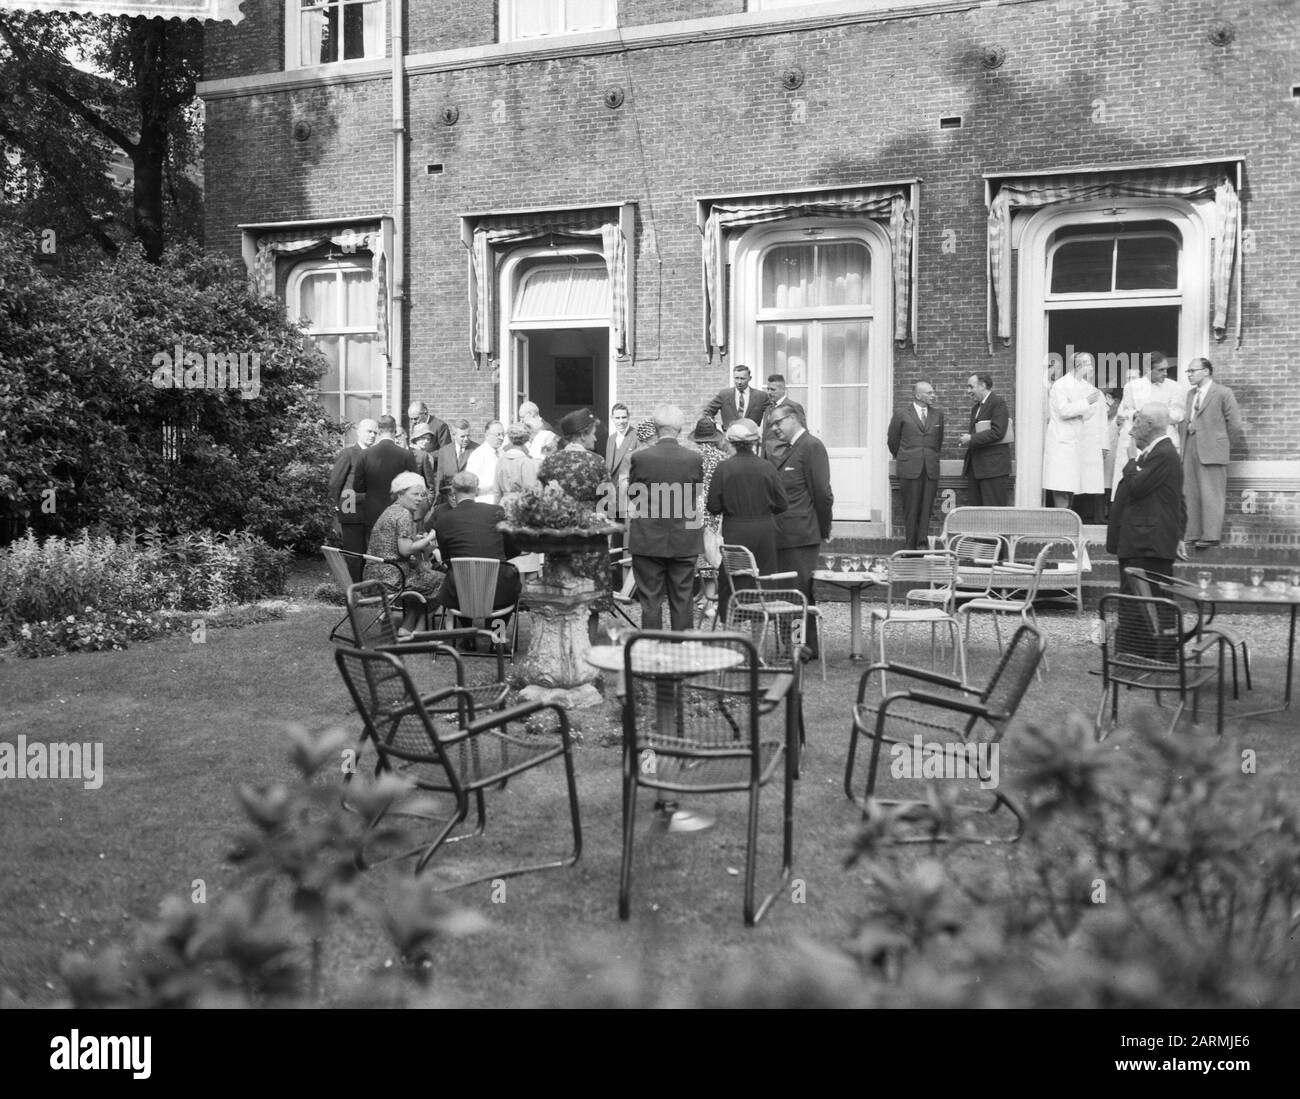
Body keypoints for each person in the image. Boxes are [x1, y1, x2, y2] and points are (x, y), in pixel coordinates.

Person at [627, 405, 705, 631]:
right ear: (679, 429)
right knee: (683, 600)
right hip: (684, 537)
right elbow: (696, 493)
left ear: (657, 428)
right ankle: (680, 653)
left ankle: (653, 652)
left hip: (648, 536)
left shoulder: (640, 457)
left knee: (650, 601)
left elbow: (634, 495)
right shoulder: (693, 458)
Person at [706, 418, 788, 623]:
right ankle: (758, 647)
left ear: (731, 442)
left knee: (735, 582)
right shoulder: (767, 467)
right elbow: (782, 504)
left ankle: (734, 641)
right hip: (764, 533)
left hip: (735, 531)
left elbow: (713, 507)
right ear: (754, 442)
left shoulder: (724, 468)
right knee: (762, 585)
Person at [769, 405, 833, 659]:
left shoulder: (811, 446)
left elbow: (822, 493)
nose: (774, 428)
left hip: (801, 535)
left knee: (795, 595)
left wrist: (824, 527)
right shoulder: (793, 448)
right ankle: (802, 647)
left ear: (793, 419)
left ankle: (797, 648)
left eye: (778, 423)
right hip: (785, 535)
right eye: (772, 424)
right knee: (792, 593)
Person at [1107, 403, 1186, 592]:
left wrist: (1132, 461)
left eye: (1137, 422)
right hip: (1140, 544)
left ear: (1149, 424)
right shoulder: (1154, 454)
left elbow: (1136, 487)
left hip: (1147, 545)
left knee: (1144, 606)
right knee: (1137, 605)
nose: (1131, 431)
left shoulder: (1164, 454)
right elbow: (1178, 500)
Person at [362, 470, 444, 636]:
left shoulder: (390, 511)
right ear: (400, 493)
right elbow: (405, 550)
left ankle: (407, 627)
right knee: (443, 580)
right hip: (392, 578)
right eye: (415, 494)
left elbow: (397, 545)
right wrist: (430, 537)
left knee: (424, 576)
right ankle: (419, 628)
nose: (420, 499)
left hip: (374, 574)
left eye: (421, 494)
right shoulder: (404, 514)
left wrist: (416, 541)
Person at [430, 471, 522, 614]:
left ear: (453, 491)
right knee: (502, 608)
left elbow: (447, 558)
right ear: (477, 491)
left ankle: (468, 633)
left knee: (456, 583)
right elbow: (513, 549)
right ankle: (497, 633)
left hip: (461, 591)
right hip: (499, 589)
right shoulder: (496, 511)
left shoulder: (443, 520)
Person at [1181, 357, 1246, 549]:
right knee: (1190, 492)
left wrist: (1222, 444)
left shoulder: (1223, 393)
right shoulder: (1191, 394)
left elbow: (1235, 424)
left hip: (1213, 448)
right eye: (1188, 371)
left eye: (1193, 370)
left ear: (1206, 371)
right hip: (1191, 445)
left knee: (1212, 493)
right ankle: (1191, 533)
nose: (1189, 374)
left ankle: (1210, 535)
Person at [1111, 351, 1187, 495]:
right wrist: (1136, 415)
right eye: (1160, 370)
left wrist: (1156, 415)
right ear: (1147, 369)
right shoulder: (1132, 387)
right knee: (1132, 484)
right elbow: (1125, 411)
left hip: (1163, 441)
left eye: (1166, 369)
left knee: (1160, 488)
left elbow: (1179, 414)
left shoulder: (1175, 387)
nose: (1165, 373)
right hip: (1138, 441)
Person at [1043, 352, 1105, 509]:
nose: (1091, 369)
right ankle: (1062, 526)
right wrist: (1085, 402)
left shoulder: (1085, 387)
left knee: (1072, 487)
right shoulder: (1060, 385)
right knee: (1061, 485)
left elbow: (1090, 413)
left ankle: (1067, 526)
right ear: (1077, 366)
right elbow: (1064, 411)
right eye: (1088, 365)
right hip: (1061, 442)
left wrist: (1085, 405)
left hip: (1077, 443)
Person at [888, 381, 944, 549]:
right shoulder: (901, 414)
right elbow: (892, 441)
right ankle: (909, 546)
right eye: (930, 392)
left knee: (926, 508)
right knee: (911, 509)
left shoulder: (937, 414)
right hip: (909, 468)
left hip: (930, 469)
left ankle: (921, 545)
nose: (933, 395)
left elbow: (938, 441)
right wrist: (906, 457)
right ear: (918, 395)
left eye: (933, 392)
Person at [352, 415, 418, 544]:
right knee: (398, 553)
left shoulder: (365, 454)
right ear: (394, 431)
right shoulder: (406, 455)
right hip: (399, 513)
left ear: (378, 431)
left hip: (373, 513)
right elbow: (415, 486)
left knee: (373, 553)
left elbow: (358, 487)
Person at [687, 415, 731, 607]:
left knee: (698, 552)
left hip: (693, 508)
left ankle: (704, 594)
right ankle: (709, 597)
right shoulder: (723, 458)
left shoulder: (691, 458)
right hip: (715, 508)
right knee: (713, 550)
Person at [327, 417, 378, 581]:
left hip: (372, 514)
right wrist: (336, 508)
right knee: (354, 554)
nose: (372, 435)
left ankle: (367, 587)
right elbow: (335, 483)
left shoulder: (376, 455)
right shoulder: (348, 453)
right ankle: (353, 590)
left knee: (370, 554)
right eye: (369, 431)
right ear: (359, 432)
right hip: (351, 510)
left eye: (375, 432)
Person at [960, 373, 1011, 506]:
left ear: (982, 386)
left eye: (971, 387)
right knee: (978, 515)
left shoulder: (997, 402)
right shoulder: (976, 408)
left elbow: (998, 432)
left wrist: (971, 438)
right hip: (977, 469)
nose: (968, 391)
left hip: (993, 469)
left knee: (994, 515)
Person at [606, 402, 639, 584]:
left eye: (624, 417)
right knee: (615, 536)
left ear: (629, 417)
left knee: (627, 537)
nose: (621, 421)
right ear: (612, 419)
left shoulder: (635, 437)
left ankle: (627, 582)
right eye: (617, 418)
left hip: (628, 495)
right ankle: (616, 579)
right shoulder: (611, 439)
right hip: (613, 496)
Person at [702, 363, 770, 429]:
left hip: (752, 437)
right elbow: (707, 411)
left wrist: (763, 430)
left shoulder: (761, 396)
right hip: (729, 437)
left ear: (750, 378)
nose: (739, 382)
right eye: (736, 378)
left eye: (742, 378)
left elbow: (771, 414)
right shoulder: (724, 394)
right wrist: (716, 427)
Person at [762, 373, 805, 463]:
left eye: (773, 390)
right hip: (767, 459)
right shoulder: (768, 408)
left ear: (783, 390)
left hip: (784, 459)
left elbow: (801, 435)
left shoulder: (794, 407)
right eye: (768, 389)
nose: (769, 392)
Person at [434, 419, 477, 507]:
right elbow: (440, 478)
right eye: (462, 436)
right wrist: (437, 498)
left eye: (468, 436)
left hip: (469, 498)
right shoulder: (444, 451)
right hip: (448, 499)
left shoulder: (477, 450)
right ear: (454, 435)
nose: (466, 439)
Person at [494, 421, 540, 503]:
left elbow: (497, 491)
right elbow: (530, 490)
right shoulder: (526, 462)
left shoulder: (501, 460)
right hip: (519, 505)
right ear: (526, 439)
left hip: (503, 503)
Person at [466, 420, 505, 503]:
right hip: (484, 503)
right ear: (487, 435)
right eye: (498, 434)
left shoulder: (502, 453)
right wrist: (493, 488)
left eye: (503, 434)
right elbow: (469, 485)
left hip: (501, 503)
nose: (501, 438)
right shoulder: (478, 455)